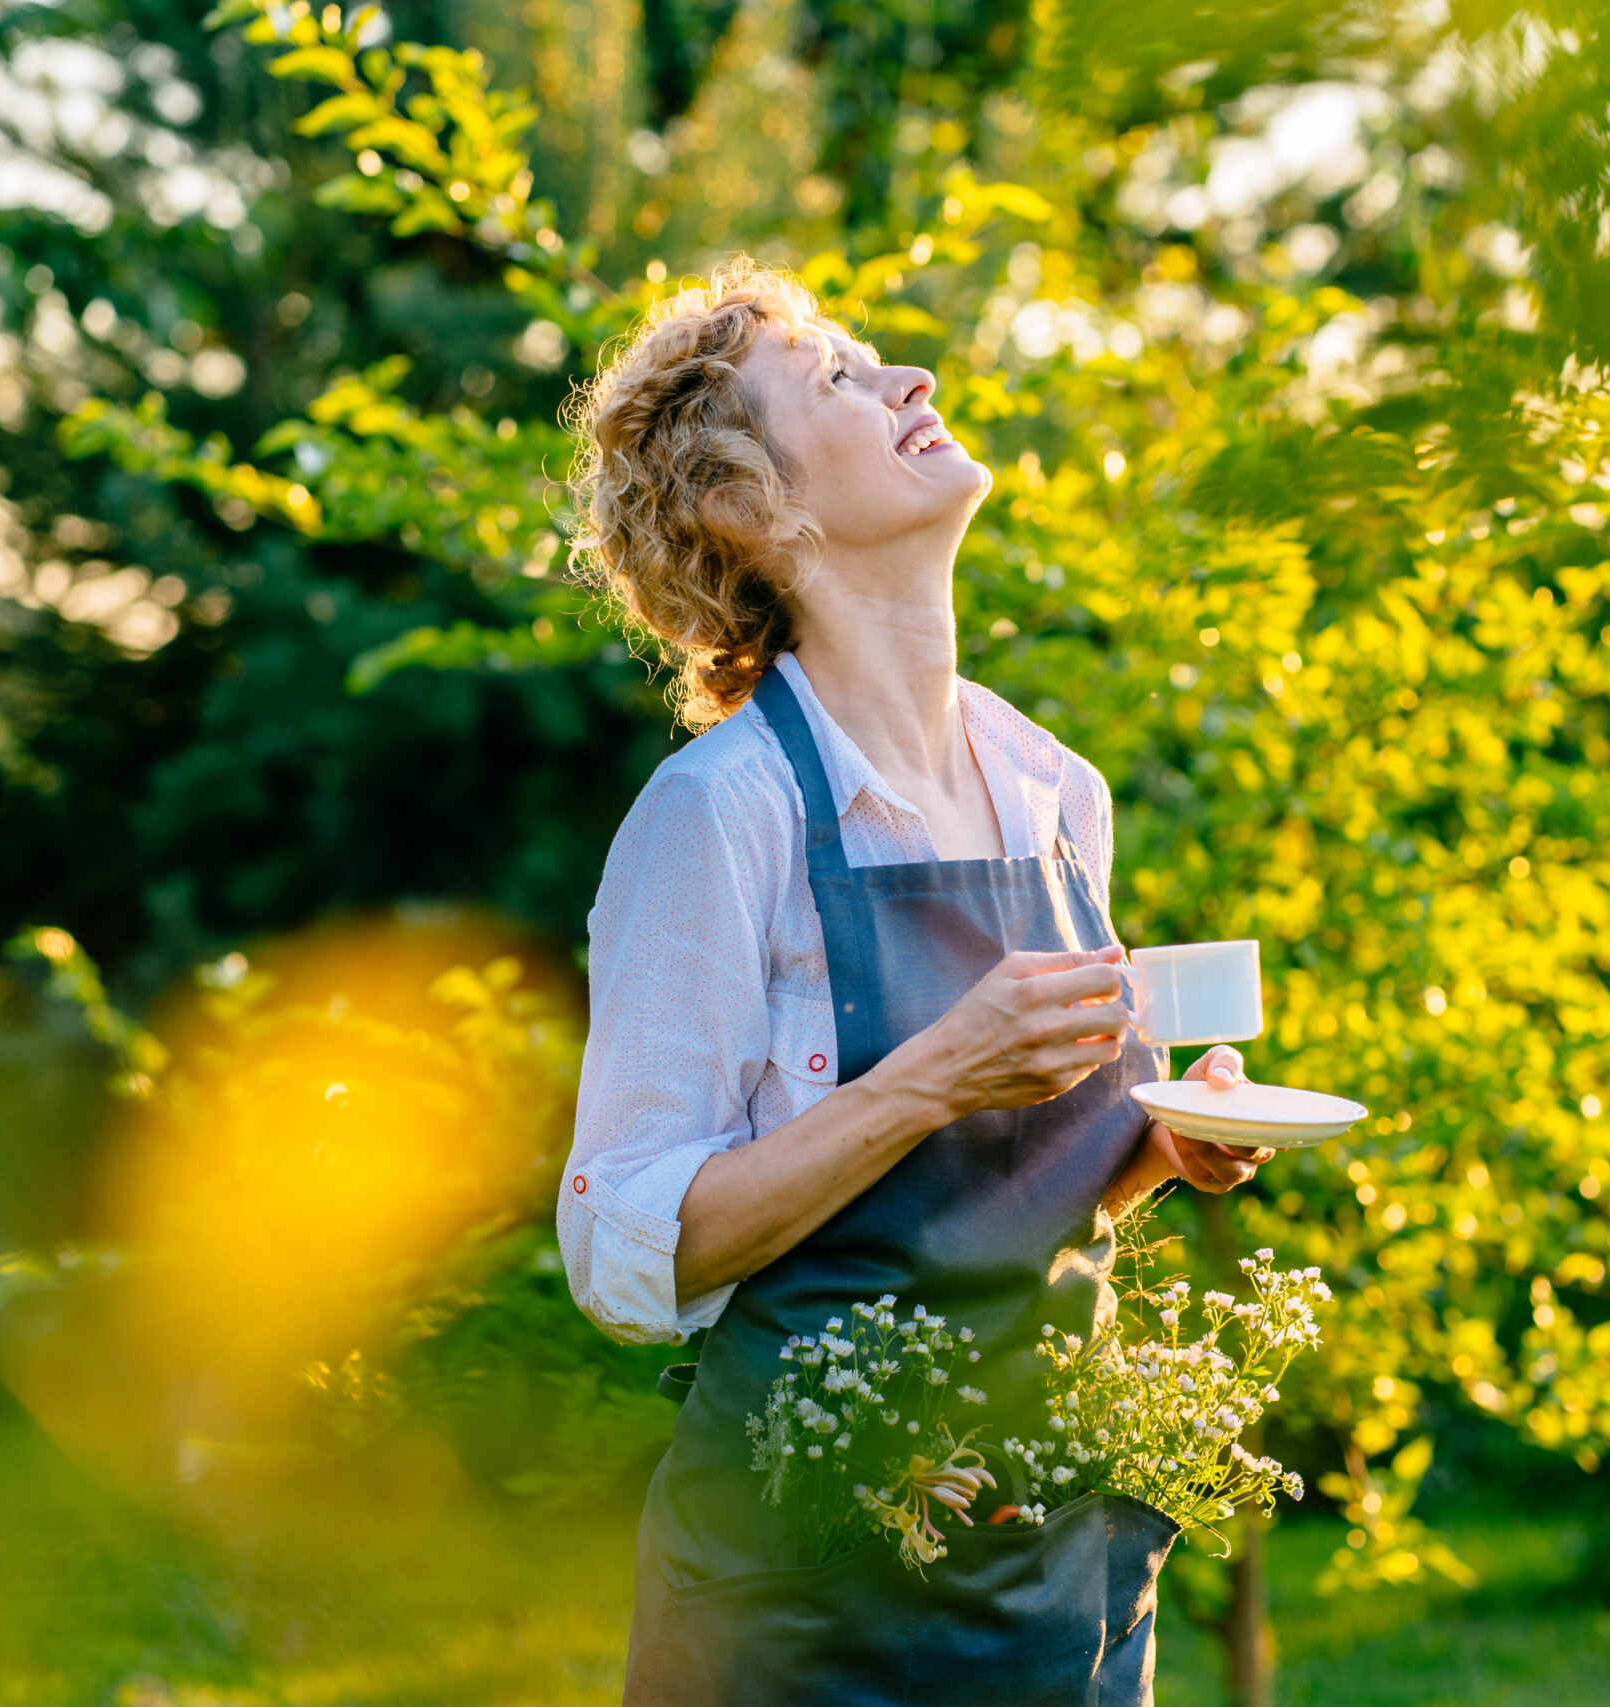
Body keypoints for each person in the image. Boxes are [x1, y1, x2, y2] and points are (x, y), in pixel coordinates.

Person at [557, 259, 1270, 1707]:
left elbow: (1004, 1200)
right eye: (837, 380)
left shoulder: (1054, 790)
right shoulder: (721, 815)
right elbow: (627, 1258)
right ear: (746, 509)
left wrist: (1162, 1148)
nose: (913, 382)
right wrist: (934, 1072)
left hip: (1049, 1558)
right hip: (803, 1598)